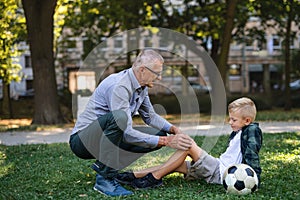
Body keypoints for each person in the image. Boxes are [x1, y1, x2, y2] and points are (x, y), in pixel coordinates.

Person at [69, 49, 193, 197]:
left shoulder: (141, 86)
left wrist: (174, 130)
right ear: (142, 70)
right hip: (82, 141)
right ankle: (105, 179)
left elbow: (150, 116)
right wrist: (166, 141)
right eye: (157, 73)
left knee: (158, 133)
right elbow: (125, 131)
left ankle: (111, 169)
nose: (159, 78)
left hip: (106, 137)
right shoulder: (119, 86)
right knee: (120, 118)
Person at [116, 97, 263, 189]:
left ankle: (154, 178)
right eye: (230, 118)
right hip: (218, 166)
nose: (229, 122)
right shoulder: (238, 131)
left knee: (187, 144)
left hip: (222, 172)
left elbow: (252, 155)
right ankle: (131, 176)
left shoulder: (251, 131)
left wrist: (254, 177)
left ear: (247, 121)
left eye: (233, 120)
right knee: (172, 165)